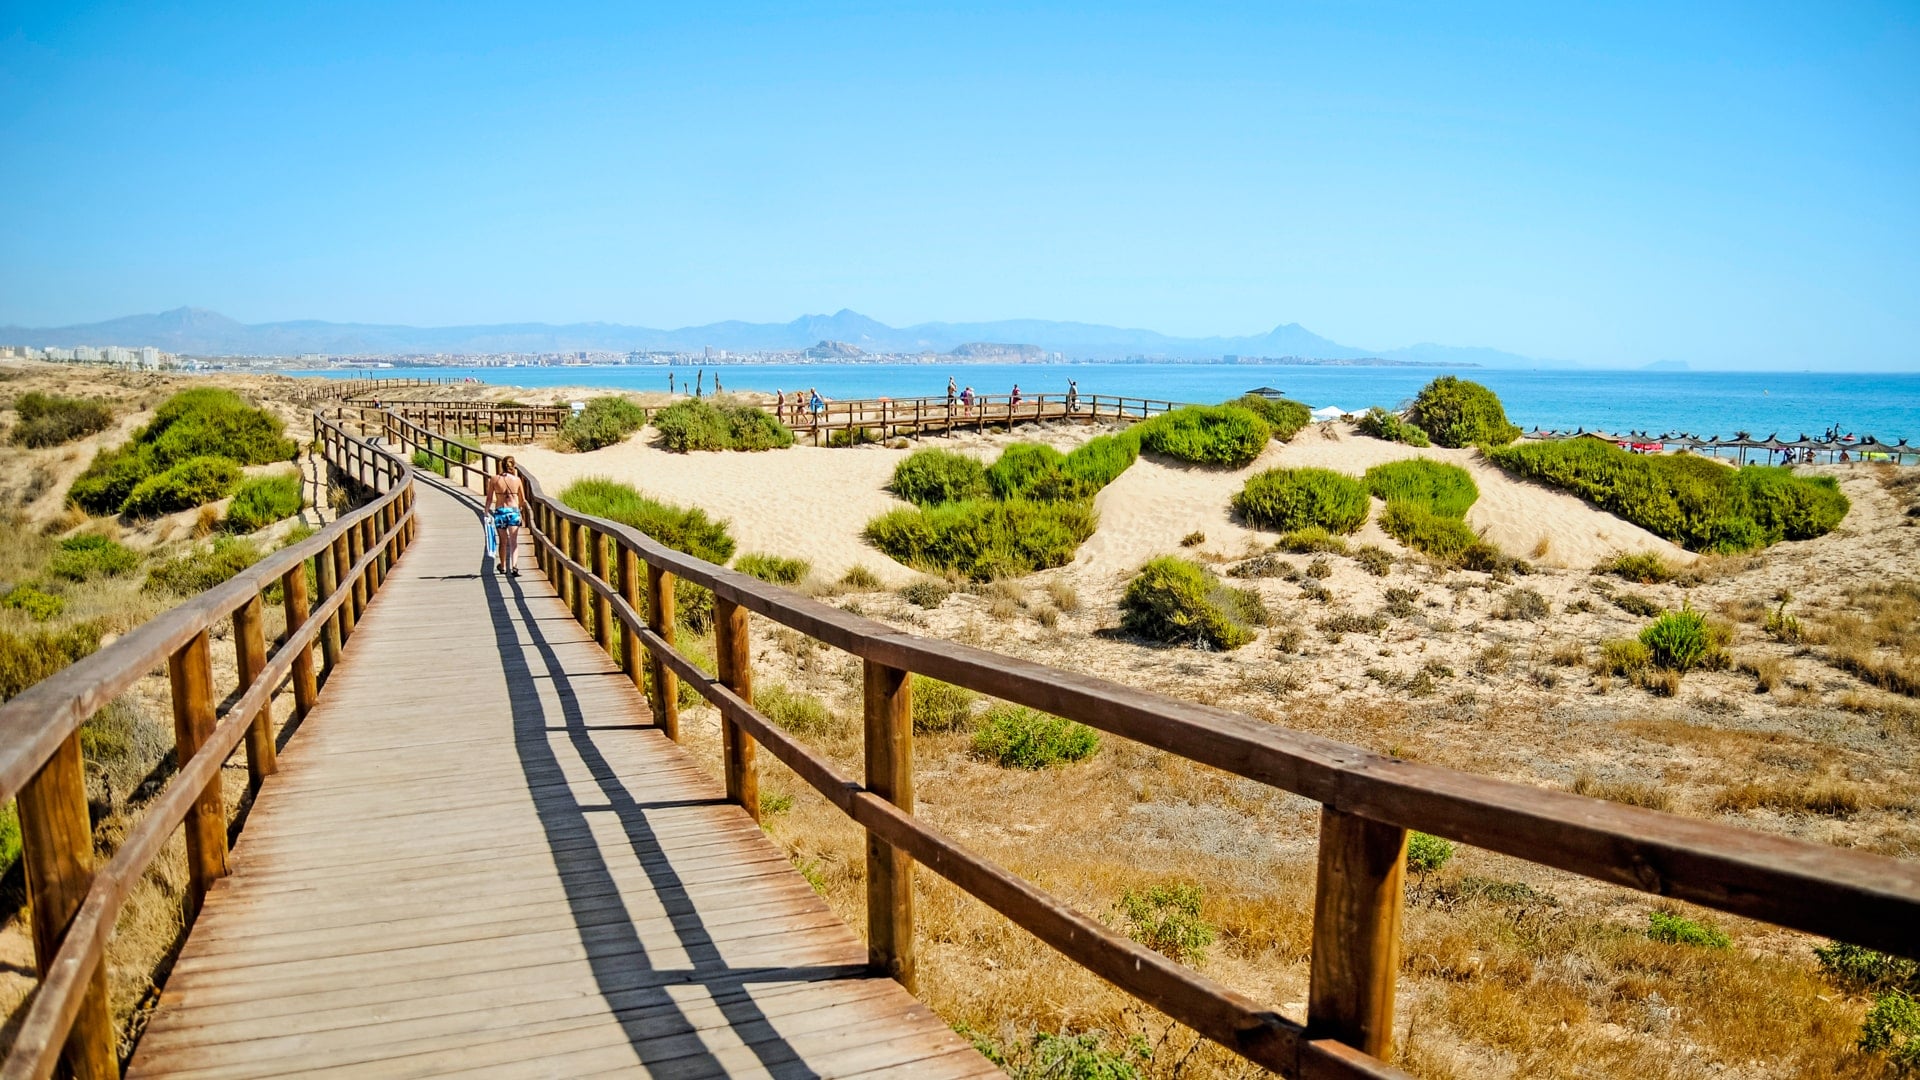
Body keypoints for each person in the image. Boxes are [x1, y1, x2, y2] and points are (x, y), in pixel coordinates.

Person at [486, 456, 525, 578]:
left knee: (503, 541)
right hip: (513, 511)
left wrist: (486, 511)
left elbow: (489, 498)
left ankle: (502, 566)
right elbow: (522, 499)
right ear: (513, 466)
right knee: (513, 542)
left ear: (501, 465)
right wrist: (521, 509)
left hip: (500, 511)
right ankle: (514, 566)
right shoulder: (517, 480)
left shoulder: (494, 479)